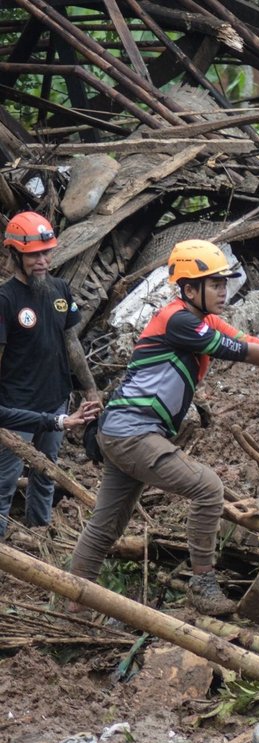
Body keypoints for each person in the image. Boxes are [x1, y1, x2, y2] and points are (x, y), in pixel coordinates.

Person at [69, 239, 259, 616]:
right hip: (132, 432)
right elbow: (239, 352)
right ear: (190, 289)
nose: (224, 291)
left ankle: (74, 606)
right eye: (215, 284)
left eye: (224, 283)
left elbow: (247, 340)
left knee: (106, 525)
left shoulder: (202, 320)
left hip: (124, 431)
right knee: (207, 488)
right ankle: (203, 585)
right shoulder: (179, 321)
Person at [0, 211, 102, 537]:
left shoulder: (60, 290)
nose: (42, 260)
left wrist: (91, 391)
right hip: (17, 409)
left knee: (46, 472)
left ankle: (38, 535)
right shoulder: (5, 299)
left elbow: (71, 343)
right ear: (15, 254)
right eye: (33, 255)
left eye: (46, 252)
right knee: (4, 480)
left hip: (56, 403)